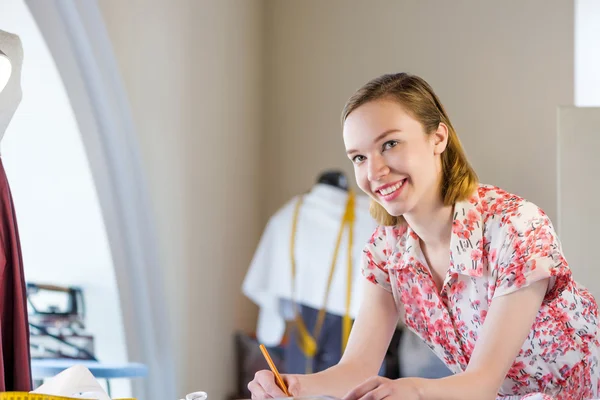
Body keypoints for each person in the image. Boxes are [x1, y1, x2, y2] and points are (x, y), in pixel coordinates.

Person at [247, 72, 600, 400]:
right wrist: (295, 385)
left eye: (390, 144)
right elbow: (356, 369)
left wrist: (412, 390)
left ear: (438, 138)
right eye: (358, 157)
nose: (375, 171)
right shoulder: (386, 251)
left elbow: (482, 381)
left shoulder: (516, 227)